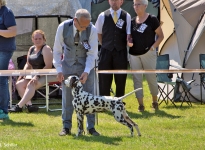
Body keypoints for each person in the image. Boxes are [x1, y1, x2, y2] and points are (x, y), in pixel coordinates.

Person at [53, 9, 100, 136]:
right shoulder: (62, 27)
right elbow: (57, 50)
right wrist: (59, 69)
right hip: (67, 66)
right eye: (83, 26)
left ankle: (91, 128)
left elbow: (92, 53)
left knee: (90, 97)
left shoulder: (92, 29)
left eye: (87, 25)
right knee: (67, 98)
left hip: (86, 66)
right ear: (75, 21)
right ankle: (66, 127)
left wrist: (86, 71)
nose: (85, 28)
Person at [9, 30, 57, 113]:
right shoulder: (31, 48)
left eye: (40, 38)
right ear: (32, 40)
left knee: (31, 84)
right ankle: (30, 106)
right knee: (19, 84)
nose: (37, 40)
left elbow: (48, 66)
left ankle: (18, 107)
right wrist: (22, 74)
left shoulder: (46, 48)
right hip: (35, 74)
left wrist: (37, 76)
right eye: (36, 39)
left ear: (44, 39)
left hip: (49, 74)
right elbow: (28, 64)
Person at [128, 0, 164, 112]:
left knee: (151, 78)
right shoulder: (132, 21)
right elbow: (128, 36)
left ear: (145, 5)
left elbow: (161, 36)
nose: (136, 6)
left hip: (149, 53)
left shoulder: (152, 19)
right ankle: (141, 105)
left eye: (138, 4)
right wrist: (128, 41)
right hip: (134, 54)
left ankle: (154, 102)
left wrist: (153, 48)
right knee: (136, 80)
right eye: (134, 4)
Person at [95, 0, 131, 97]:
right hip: (105, 52)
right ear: (109, 2)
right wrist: (105, 44)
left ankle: (119, 101)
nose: (114, 2)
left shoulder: (126, 16)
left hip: (121, 52)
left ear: (121, 2)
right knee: (104, 78)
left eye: (116, 0)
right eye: (112, 0)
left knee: (121, 79)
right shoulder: (102, 15)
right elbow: (98, 33)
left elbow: (128, 33)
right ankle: (104, 101)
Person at [0, 0, 17, 119]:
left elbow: (13, 32)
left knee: (1, 80)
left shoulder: (7, 12)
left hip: (4, 50)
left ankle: (3, 111)